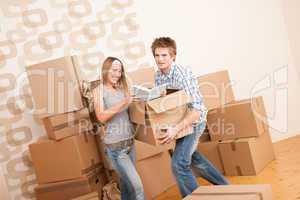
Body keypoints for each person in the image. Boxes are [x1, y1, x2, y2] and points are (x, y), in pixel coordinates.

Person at [151, 37, 229, 197]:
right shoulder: (158, 76)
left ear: (173, 56)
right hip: (178, 121)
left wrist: (175, 129)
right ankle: (225, 187)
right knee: (193, 158)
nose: (160, 59)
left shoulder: (182, 74)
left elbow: (197, 110)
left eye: (164, 55)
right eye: (157, 55)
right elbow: (167, 103)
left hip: (194, 121)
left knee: (179, 164)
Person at [93, 57, 145, 200]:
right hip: (116, 148)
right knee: (138, 187)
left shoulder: (122, 90)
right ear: (105, 70)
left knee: (127, 187)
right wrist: (124, 102)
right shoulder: (98, 91)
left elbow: (132, 110)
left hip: (130, 143)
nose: (117, 74)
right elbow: (101, 117)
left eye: (120, 71)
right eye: (114, 70)